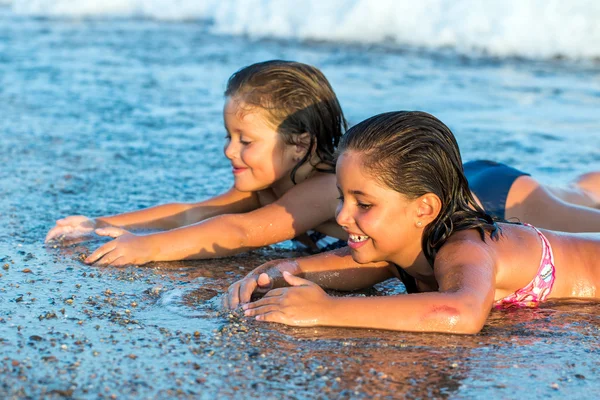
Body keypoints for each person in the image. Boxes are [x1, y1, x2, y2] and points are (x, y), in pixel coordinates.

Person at [45, 60, 600, 267]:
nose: (229, 152)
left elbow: (239, 230)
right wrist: (112, 225)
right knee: (579, 191)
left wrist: (142, 251)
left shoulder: (319, 188)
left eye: (245, 140)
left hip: (491, 193)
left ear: (302, 145)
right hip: (452, 181)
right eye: (228, 137)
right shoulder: (274, 179)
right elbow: (199, 211)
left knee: (583, 221)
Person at [227, 111, 600, 334]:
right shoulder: (401, 246)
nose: (342, 216)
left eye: (364, 203)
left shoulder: (464, 249)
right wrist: (277, 274)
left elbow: (461, 313)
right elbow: (337, 267)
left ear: (423, 209)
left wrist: (325, 310)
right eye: (342, 197)